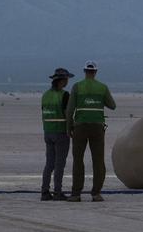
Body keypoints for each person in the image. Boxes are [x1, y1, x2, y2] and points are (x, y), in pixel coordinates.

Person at [66, 61, 116, 202]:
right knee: (98, 161)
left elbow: (69, 110)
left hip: (80, 127)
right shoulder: (102, 87)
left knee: (78, 160)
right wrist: (98, 100)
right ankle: (96, 193)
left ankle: (76, 194)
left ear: (84, 71)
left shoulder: (77, 87)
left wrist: (68, 127)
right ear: (95, 72)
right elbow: (112, 106)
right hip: (97, 128)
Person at [40, 67, 74, 201]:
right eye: (66, 79)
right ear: (62, 81)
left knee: (49, 164)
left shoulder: (45, 95)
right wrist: (71, 128)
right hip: (61, 132)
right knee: (59, 164)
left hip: (48, 132)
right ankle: (57, 192)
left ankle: (44, 191)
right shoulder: (64, 95)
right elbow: (68, 113)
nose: (67, 82)